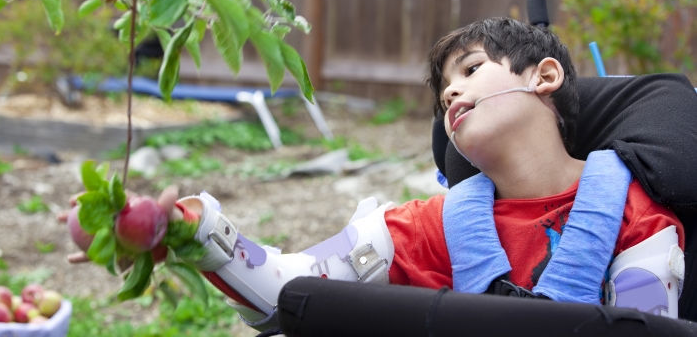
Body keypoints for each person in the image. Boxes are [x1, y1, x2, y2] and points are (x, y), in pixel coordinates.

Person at [62, 18, 686, 331]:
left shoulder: (634, 215)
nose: (451, 94)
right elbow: (292, 282)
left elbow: (646, 330)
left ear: (544, 77)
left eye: (470, 70)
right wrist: (189, 230)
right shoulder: (430, 225)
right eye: (443, 89)